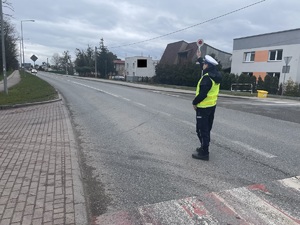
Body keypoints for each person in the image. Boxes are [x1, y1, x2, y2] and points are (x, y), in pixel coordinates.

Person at [192, 50, 222, 161]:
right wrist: (199, 58)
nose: (202, 65)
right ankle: (203, 147)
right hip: (211, 106)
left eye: (204, 63)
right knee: (206, 129)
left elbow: (203, 94)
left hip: (203, 108)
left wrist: (194, 102)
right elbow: (204, 69)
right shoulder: (215, 75)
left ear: (207, 65)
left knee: (201, 130)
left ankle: (204, 152)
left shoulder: (207, 78)